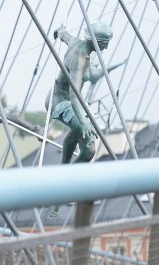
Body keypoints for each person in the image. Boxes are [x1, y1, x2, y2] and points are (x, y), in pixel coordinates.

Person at [48, 22, 113, 166]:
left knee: (89, 151)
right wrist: (83, 122)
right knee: (80, 130)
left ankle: (67, 173)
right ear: (96, 42)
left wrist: (60, 31)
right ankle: (63, 169)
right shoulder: (80, 59)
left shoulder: (77, 42)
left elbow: (65, 36)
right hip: (59, 100)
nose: (106, 47)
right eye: (105, 43)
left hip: (71, 101)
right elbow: (74, 94)